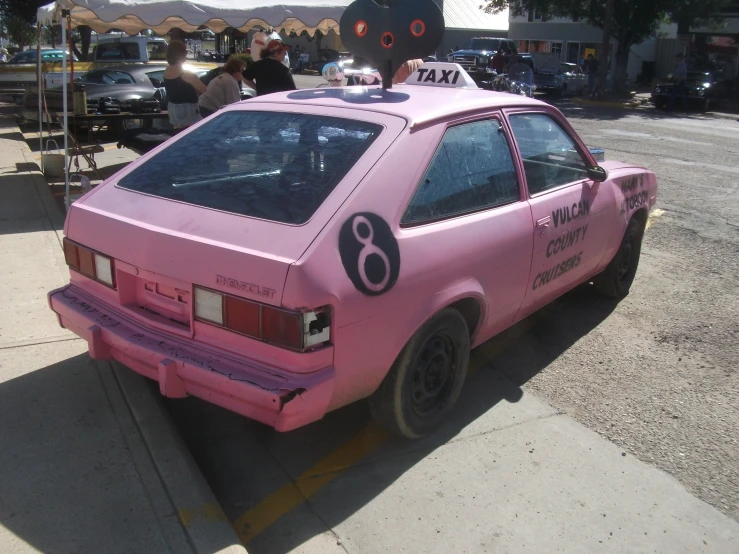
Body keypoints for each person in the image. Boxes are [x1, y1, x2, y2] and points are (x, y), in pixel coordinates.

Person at [163, 40, 206, 128]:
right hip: (187, 110)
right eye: (185, 51)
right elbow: (204, 89)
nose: (187, 53)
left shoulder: (167, 71)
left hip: (173, 108)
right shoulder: (186, 74)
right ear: (181, 54)